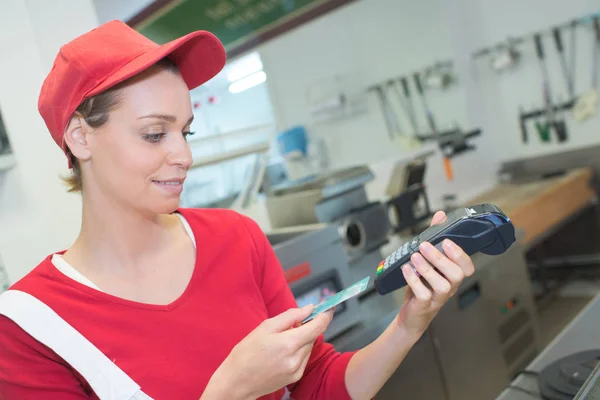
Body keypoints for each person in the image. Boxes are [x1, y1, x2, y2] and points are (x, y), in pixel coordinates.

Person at [0, 20, 475, 400]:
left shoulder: (235, 238)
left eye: (185, 132)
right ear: (81, 137)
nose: (183, 156)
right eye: (153, 134)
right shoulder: (30, 328)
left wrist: (407, 324)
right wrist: (231, 392)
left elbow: (318, 385)